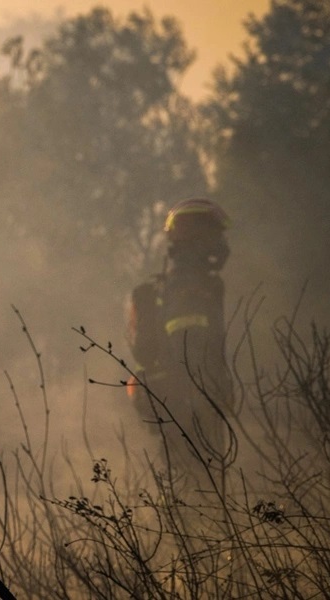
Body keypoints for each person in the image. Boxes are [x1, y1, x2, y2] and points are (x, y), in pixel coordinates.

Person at [126, 198, 235, 475]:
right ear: (198, 236)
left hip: (179, 404)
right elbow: (189, 348)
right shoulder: (191, 284)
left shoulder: (180, 282)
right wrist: (208, 393)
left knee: (185, 485)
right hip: (190, 406)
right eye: (214, 234)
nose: (220, 243)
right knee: (199, 486)